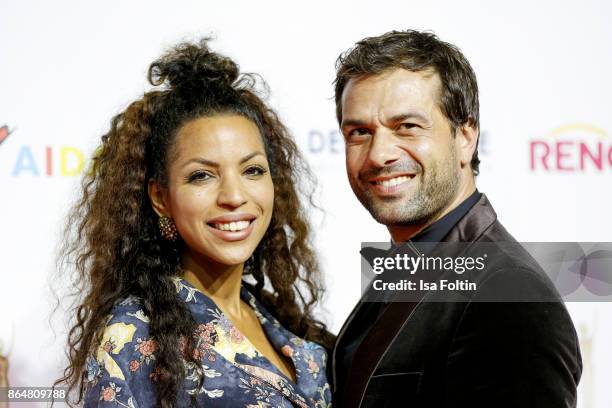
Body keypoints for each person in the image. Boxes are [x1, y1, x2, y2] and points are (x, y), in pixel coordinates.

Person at [56, 39, 333, 407]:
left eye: (252, 170)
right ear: (160, 198)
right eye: (202, 176)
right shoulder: (132, 336)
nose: (234, 196)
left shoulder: (280, 322)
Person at [331, 30, 582, 407]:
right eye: (359, 132)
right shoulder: (410, 266)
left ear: (465, 137)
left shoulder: (507, 296)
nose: (379, 153)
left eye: (407, 126)